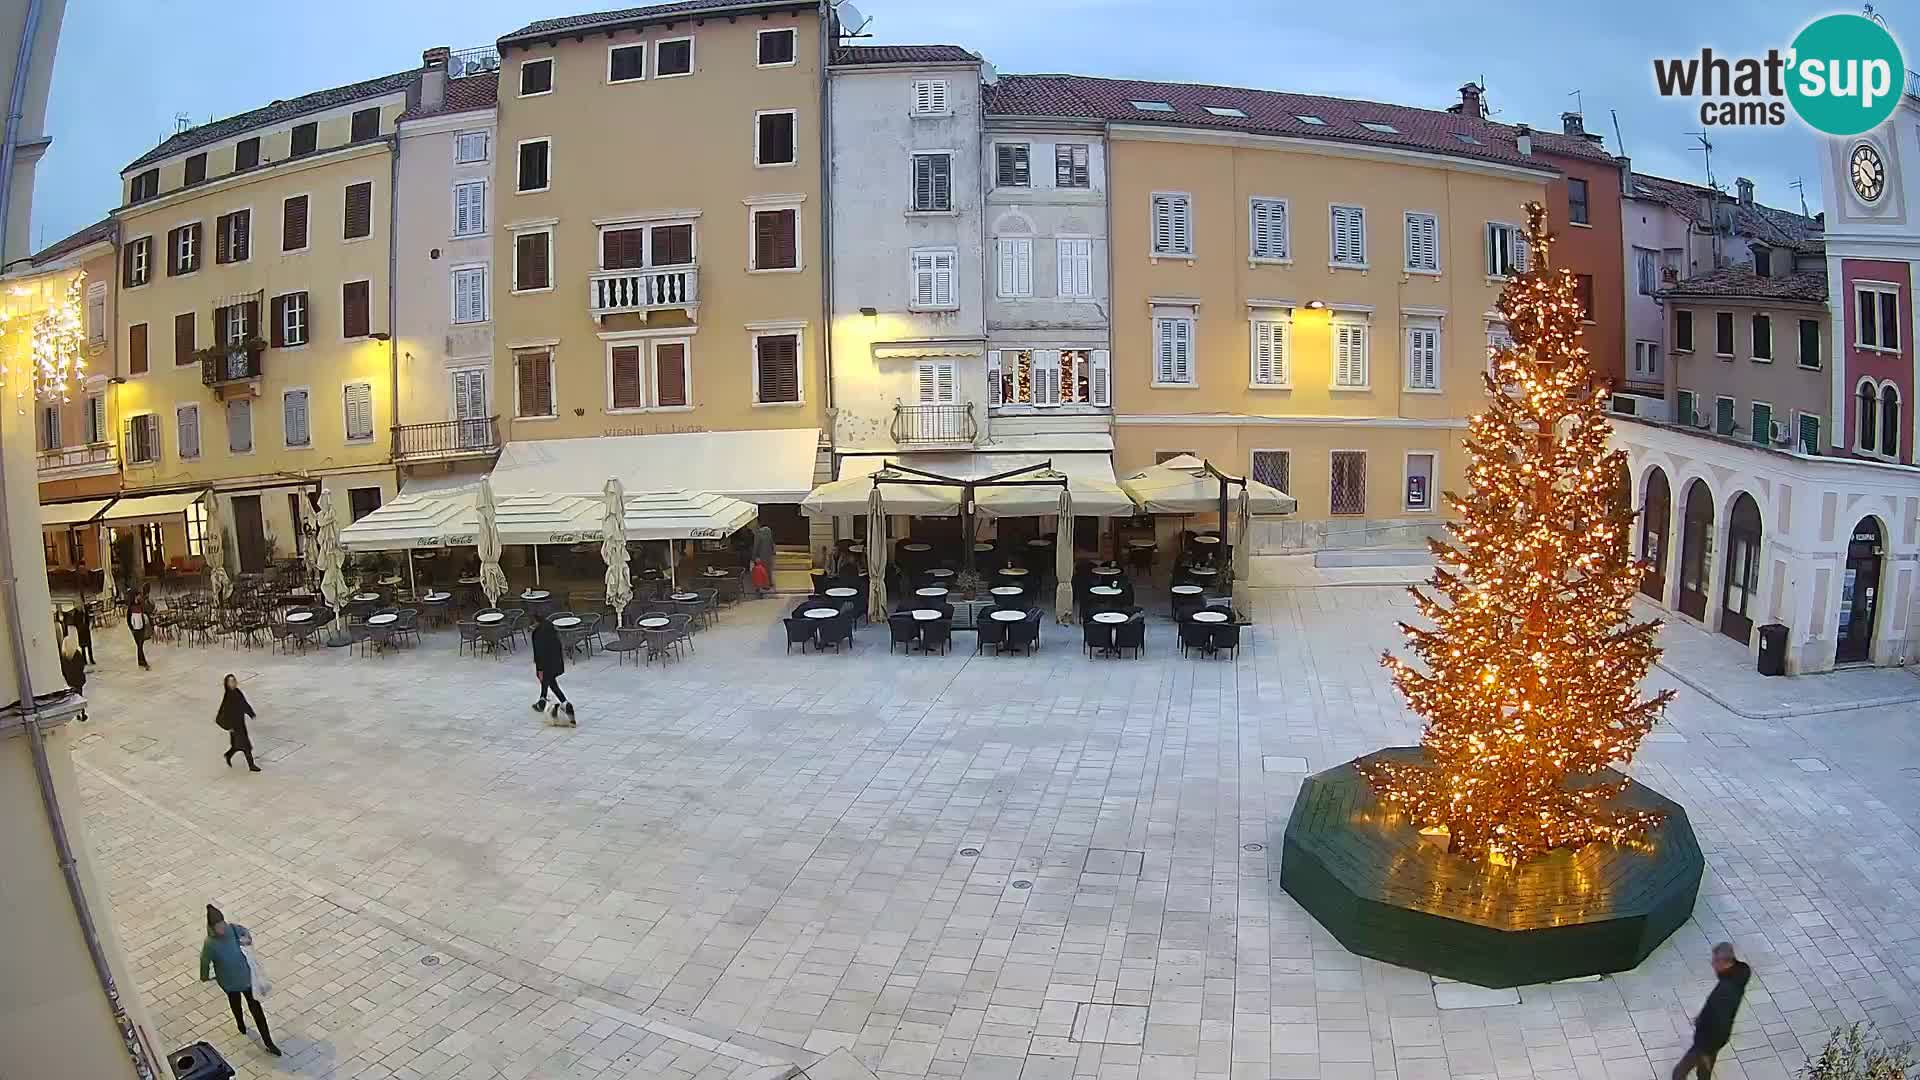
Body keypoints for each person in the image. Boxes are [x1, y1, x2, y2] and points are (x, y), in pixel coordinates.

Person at [199, 904, 281, 1056]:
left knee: (256, 1009)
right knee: (235, 1002)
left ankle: (268, 1042)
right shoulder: (210, 944)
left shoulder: (234, 929)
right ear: (212, 927)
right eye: (218, 926)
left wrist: (247, 940)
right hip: (229, 982)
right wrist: (204, 976)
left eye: (222, 923)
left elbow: (246, 934)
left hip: (246, 978)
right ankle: (240, 1024)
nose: (222, 928)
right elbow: (205, 961)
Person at [1673, 942, 1751, 1080]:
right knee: (1704, 1072)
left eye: (1714, 961)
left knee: (1679, 1073)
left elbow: (1719, 1020)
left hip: (1707, 1040)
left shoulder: (1724, 991)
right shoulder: (1742, 972)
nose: (1712, 964)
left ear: (1723, 963)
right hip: (1717, 1038)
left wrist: (1704, 1049)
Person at [529, 612, 573, 724]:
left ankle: (559, 702)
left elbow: (538, 652)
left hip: (545, 663)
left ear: (536, 622)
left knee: (550, 682)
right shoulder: (551, 629)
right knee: (551, 682)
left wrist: (539, 669)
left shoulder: (537, 634)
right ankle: (543, 699)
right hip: (555, 662)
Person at [216, 674, 261, 771]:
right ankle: (251, 765)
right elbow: (219, 717)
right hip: (234, 727)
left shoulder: (237, 692)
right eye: (230, 681)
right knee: (246, 746)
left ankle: (228, 755)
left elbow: (243, 704)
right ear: (227, 684)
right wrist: (228, 727)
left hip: (240, 724)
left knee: (238, 745)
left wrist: (250, 713)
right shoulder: (228, 697)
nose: (233, 683)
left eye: (234, 681)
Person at [58, 624, 88, 722]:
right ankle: (82, 712)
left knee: (73, 696)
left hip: (70, 679)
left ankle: (77, 714)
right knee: (80, 694)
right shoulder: (76, 652)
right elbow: (82, 664)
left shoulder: (64, 654)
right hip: (78, 678)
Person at [126, 593, 151, 670]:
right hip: (135, 629)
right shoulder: (131, 608)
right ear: (135, 597)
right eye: (138, 596)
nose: (140, 597)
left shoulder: (140, 605)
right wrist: (131, 628)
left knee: (140, 646)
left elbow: (144, 614)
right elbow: (128, 619)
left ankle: (140, 661)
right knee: (139, 646)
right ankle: (144, 662)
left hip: (141, 627)